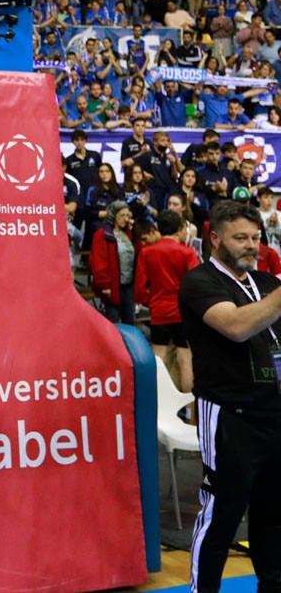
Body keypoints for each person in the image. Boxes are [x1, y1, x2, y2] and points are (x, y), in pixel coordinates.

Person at [178, 200, 281, 593]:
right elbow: (236, 327)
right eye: (241, 238)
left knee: (274, 513)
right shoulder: (200, 281)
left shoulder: (267, 283)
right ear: (216, 238)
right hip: (229, 414)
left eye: (256, 238)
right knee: (222, 513)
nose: (252, 246)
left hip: (274, 412)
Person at [133, 210, 199, 391]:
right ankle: (189, 409)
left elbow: (139, 287)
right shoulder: (188, 252)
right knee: (185, 359)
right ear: (179, 229)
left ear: (158, 228)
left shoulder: (147, 252)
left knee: (159, 357)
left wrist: (148, 301)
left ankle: (158, 404)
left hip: (159, 310)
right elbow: (195, 285)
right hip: (183, 312)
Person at [89, 200, 137, 325]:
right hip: (112, 285)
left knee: (129, 320)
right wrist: (104, 284)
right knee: (113, 321)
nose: (126, 219)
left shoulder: (129, 234)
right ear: (113, 215)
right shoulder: (103, 234)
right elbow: (98, 261)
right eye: (122, 215)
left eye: (128, 216)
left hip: (128, 284)